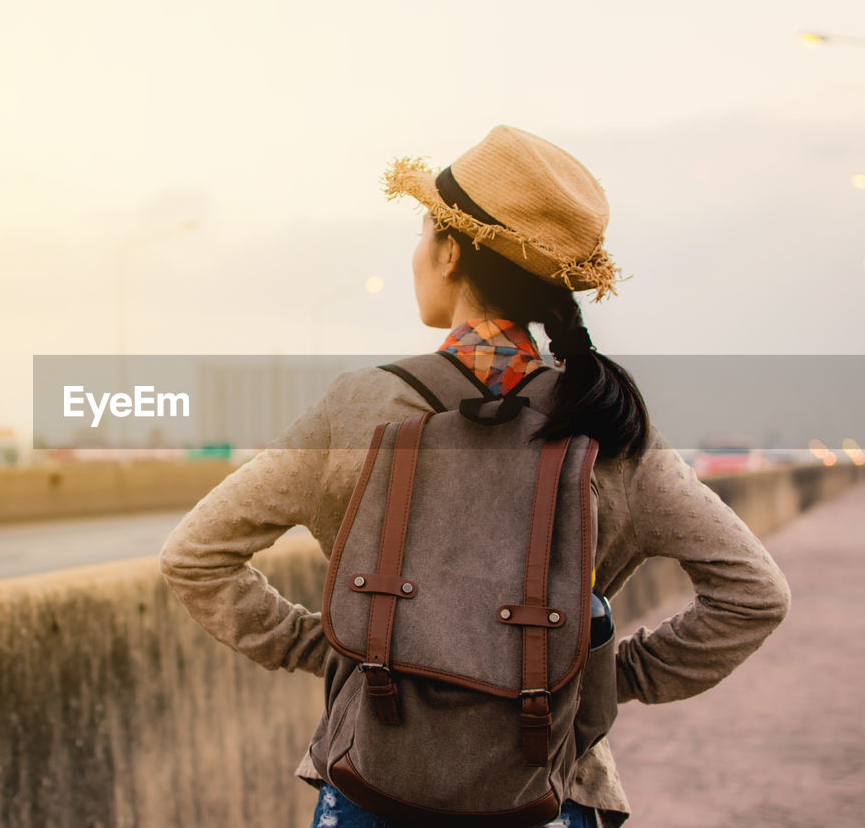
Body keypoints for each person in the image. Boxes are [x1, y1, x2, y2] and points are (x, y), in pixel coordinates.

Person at [158, 125, 790, 828]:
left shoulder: (358, 407)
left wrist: (330, 648)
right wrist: (602, 673)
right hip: (545, 788)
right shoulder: (605, 424)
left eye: (422, 234)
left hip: (371, 775)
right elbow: (754, 594)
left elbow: (195, 555)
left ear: (450, 250)